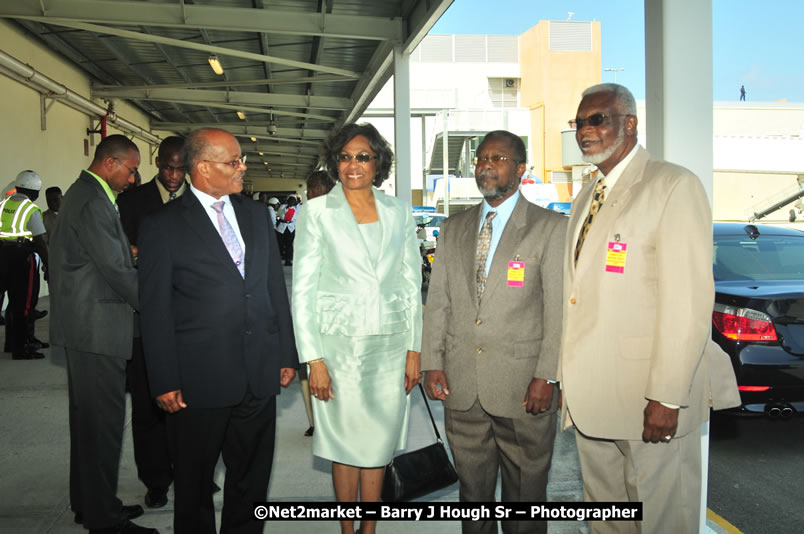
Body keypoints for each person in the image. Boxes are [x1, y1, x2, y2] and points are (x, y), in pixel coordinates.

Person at [559, 83, 739, 534]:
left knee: (664, 521)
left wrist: (667, 395)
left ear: (630, 123)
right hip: (593, 399)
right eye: (579, 122)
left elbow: (689, 300)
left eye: (597, 119)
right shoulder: (586, 195)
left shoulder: (673, 185)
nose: (585, 131)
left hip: (650, 399)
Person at [138, 128, 298, 534]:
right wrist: (164, 379)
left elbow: (272, 288)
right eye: (234, 161)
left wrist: (284, 354)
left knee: (251, 482)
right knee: (193, 486)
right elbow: (155, 311)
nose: (242, 167)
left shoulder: (256, 214)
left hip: (258, 372)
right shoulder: (162, 225)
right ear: (204, 168)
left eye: (241, 159)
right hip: (197, 381)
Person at [421, 130, 566, 534]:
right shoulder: (453, 228)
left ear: (521, 170)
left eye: (498, 158)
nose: (486, 165)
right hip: (461, 386)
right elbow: (440, 303)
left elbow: (557, 309)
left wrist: (548, 376)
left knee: (525, 499)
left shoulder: (550, 227)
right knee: (473, 497)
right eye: (482, 158)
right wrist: (433, 362)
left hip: (524, 389)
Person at [292, 123, 422, 534]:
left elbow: (410, 281)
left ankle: (370, 528)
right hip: (337, 349)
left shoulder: (399, 211)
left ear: (377, 162)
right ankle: (347, 529)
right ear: (335, 162)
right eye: (345, 156)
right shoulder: (315, 213)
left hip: (390, 345)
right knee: (343, 445)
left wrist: (414, 350)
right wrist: (313, 359)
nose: (353, 165)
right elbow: (303, 290)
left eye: (363, 156)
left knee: (379, 445)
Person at [49, 135, 157, 534]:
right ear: (110, 163)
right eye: (130, 170)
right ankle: (104, 520)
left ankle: (89, 503)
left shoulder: (82, 194)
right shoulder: (94, 200)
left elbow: (100, 257)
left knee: (88, 424)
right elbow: (114, 269)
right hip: (97, 328)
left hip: (86, 325)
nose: (132, 179)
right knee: (104, 426)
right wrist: (157, 306)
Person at [117, 136, 188, 510]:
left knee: (194, 406)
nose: (174, 176)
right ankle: (156, 480)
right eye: (167, 167)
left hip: (193, 323)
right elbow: (121, 256)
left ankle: (195, 473)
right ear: (157, 163)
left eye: (180, 168)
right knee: (148, 407)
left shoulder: (204, 202)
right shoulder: (131, 202)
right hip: (147, 320)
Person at [0, 170, 49, 360]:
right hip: (21, 259)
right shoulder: (31, 209)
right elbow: (40, 241)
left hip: (1, 255)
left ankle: (10, 344)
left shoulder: (3, 204)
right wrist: (48, 266)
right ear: (36, 192)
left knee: (11, 304)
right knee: (23, 304)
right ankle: (20, 349)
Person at [276, 196, 298, 265]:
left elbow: (296, 218)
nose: (292, 202)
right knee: (280, 244)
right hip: (282, 227)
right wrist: (287, 208)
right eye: (291, 201)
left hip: (290, 227)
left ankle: (288, 260)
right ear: (288, 201)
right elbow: (281, 214)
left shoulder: (296, 208)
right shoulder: (283, 206)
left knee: (289, 245)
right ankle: (277, 260)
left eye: (293, 201)